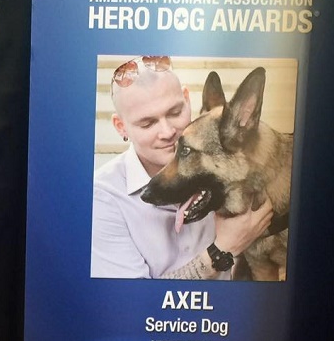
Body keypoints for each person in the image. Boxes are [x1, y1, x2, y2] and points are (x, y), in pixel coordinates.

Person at [91, 56, 273, 279]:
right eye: (148, 123)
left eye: (175, 112)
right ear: (121, 127)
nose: (168, 132)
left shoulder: (228, 166)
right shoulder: (102, 197)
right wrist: (223, 248)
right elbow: (134, 301)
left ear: (187, 100)